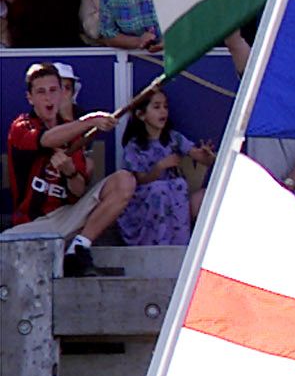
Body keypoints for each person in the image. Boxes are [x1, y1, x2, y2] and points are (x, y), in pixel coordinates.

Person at [9, 62, 134, 276]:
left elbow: (78, 190)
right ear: (30, 98)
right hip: (31, 226)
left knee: (124, 180)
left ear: (62, 94)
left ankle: (78, 248)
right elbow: (47, 139)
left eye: (53, 90)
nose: (48, 98)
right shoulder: (22, 125)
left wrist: (70, 172)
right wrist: (89, 121)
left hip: (67, 219)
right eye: (41, 92)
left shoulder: (74, 134)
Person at [115, 86, 210, 247]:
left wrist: (207, 155)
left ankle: (179, 243)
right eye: (156, 107)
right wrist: (160, 167)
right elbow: (140, 180)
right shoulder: (134, 145)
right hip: (145, 198)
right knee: (159, 189)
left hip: (172, 194)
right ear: (141, 114)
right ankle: (158, 243)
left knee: (179, 185)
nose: (163, 112)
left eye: (165, 107)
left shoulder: (173, 138)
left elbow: (199, 156)